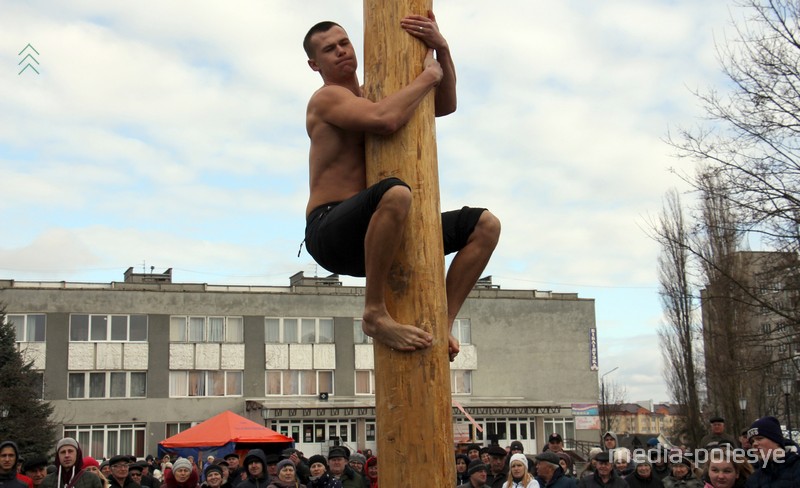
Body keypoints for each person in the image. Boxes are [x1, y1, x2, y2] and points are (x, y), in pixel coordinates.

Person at [302, 13, 501, 363]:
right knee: (395, 192)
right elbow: (385, 120)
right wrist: (428, 75)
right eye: (329, 49)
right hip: (330, 229)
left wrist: (443, 52)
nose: (342, 51)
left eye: (345, 42)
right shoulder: (326, 99)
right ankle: (374, 313)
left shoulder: (372, 95)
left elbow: (444, 105)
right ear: (314, 64)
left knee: (485, 225)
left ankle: (444, 321)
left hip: (380, 228)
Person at [745, 416, 800, 487]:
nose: (754, 444)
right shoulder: (753, 479)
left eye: (759, 438)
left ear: (776, 440)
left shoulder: (797, 469)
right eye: (752, 441)